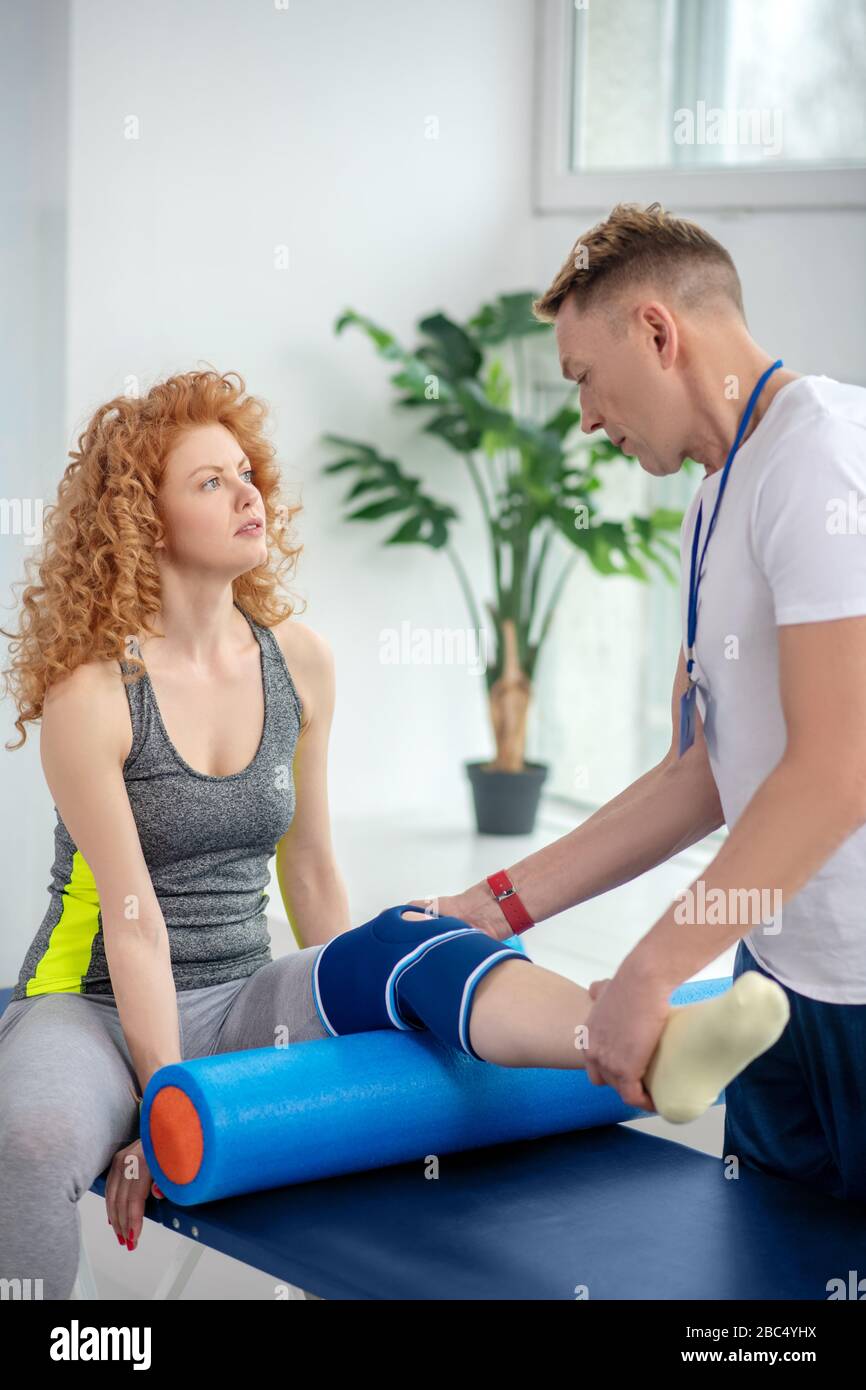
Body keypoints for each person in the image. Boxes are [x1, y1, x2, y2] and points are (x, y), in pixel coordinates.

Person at [0, 366, 790, 1301]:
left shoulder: (298, 662)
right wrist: (167, 1099)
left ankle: (652, 1048)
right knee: (31, 1141)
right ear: (146, 520)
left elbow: (310, 866)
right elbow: (132, 923)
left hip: (241, 992)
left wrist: (357, 996)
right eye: (210, 481)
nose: (249, 493)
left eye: (246, 471)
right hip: (90, 1005)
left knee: (413, 936)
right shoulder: (94, 694)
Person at [409, 201, 866, 1204]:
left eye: (582, 375)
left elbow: (837, 772)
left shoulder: (822, 459)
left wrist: (650, 970)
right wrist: (494, 904)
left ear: (658, 332)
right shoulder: (714, 499)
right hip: (780, 980)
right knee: (771, 1277)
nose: (583, 417)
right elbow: (704, 772)